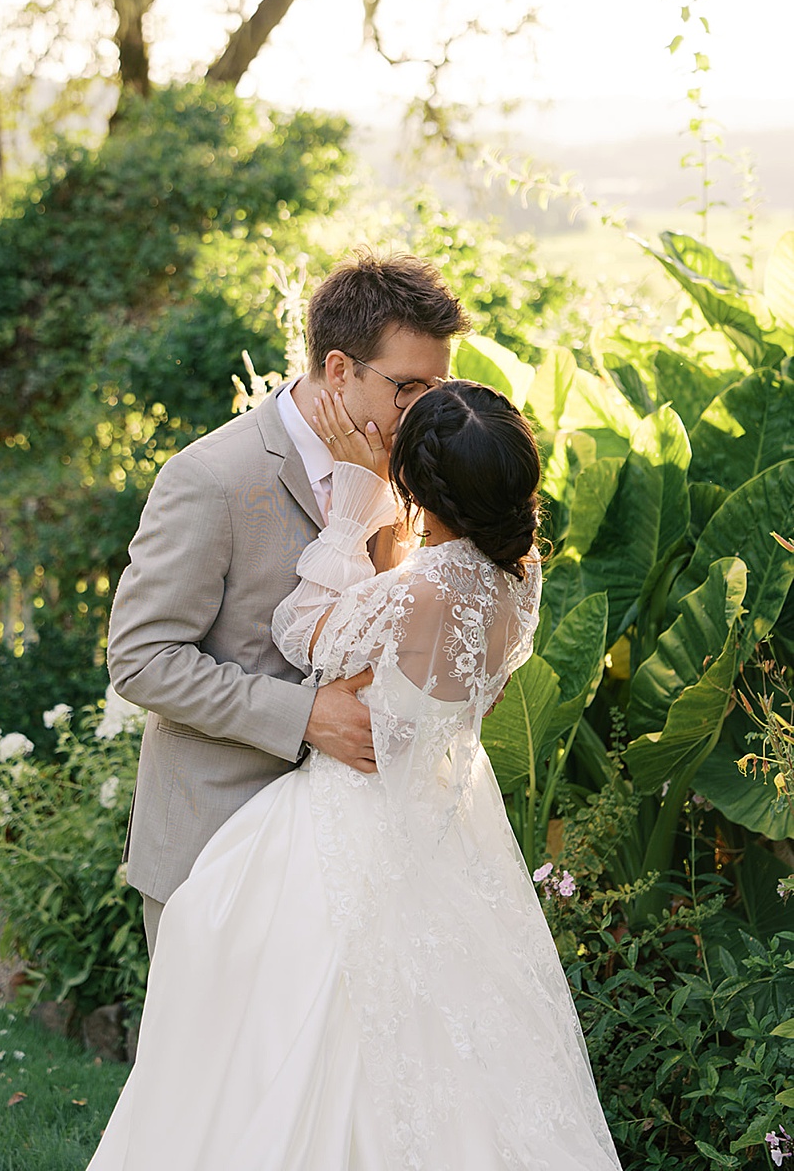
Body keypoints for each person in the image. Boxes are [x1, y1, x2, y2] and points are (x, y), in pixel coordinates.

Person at [87, 380, 621, 1169]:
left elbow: (300, 630)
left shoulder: (420, 589)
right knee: (439, 1040)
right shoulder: (519, 578)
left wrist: (352, 511)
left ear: (419, 489)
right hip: (441, 822)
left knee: (279, 1007)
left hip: (353, 812)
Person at [106, 251, 469, 952]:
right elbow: (141, 660)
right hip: (217, 847)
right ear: (339, 370)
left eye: (438, 386)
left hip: (356, 850)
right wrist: (305, 716)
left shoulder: (408, 465)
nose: (426, 408)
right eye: (408, 386)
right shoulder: (211, 476)